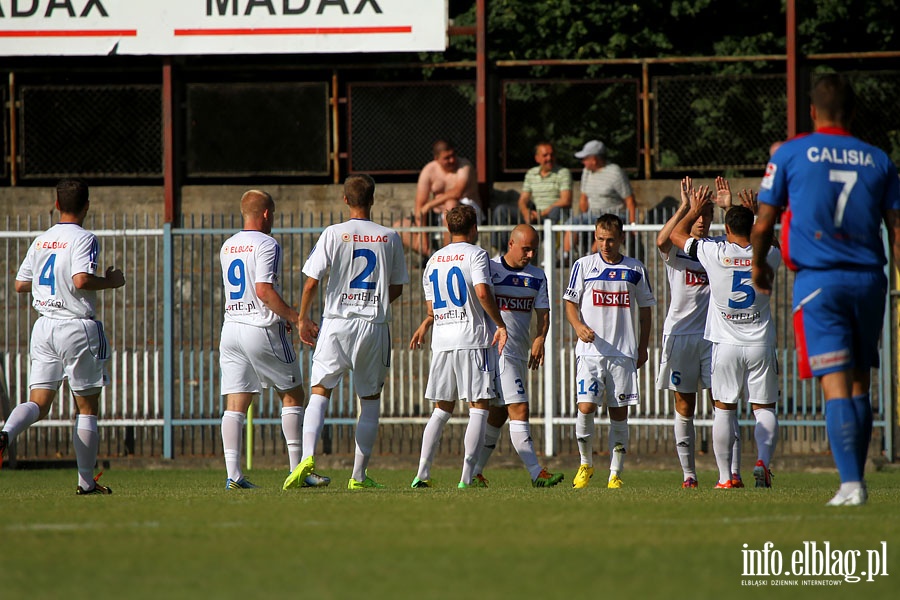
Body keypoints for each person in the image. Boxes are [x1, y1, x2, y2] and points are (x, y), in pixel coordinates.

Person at [751, 73, 900, 506]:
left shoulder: (792, 152)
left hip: (820, 280)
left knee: (834, 384)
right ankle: (857, 482)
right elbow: (896, 228)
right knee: (859, 384)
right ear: (853, 113)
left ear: (812, 112)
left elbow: (762, 222)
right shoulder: (879, 159)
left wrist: (760, 266)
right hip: (870, 279)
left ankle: (851, 485)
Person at [283, 174, 409, 491]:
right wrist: (374, 301)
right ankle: (359, 477)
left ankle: (306, 460)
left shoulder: (333, 233)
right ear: (373, 199)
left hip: (336, 321)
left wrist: (303, 318)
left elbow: (312, 280)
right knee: (369, 399)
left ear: (345, 199)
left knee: (320, 391)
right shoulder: (390, 236)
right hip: (373, 325)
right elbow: (396, 286)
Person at [1, 178, 124, 494]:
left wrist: (51, 286)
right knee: (86, 408)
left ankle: (5, 433)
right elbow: (81, 280)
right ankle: (86, 483)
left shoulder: (42, 239)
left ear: (56, 205)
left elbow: (20, 283)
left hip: (43, 327)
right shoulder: (84, 238)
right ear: (87, 205)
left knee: (39, 404)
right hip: (75, 327)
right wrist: (111, 281)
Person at [671, 187, 781, 490]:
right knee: (764, 408)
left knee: (724, 408)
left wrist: (693, 209)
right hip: (760, 343)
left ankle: (724, 478)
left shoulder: (715, 253)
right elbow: (772, 241)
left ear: (727, 228)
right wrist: (757, 215)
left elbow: (677, 237)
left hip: (726, 344)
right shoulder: (769, 254)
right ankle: (762, 462)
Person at [656, 176, 749, 488]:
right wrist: (685, 206)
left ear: (711, 220)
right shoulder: (678, 251)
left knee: (723, 404)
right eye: (696, 217)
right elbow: (661, 242)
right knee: (685, 406)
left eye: (704, 216)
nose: (699, 221)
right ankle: (689, 475)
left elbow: (742, 239)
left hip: (714, 337)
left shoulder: (719, 249)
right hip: (680, 336)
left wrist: (730, 209)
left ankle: (732, 472)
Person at [409, 205, 508, 489]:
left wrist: (427, 324)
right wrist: (499, 323)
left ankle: (422, 473)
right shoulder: (477, 254)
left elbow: (431, 307)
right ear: (474, 228)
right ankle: (467, 477)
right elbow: (481, 291)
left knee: (441, 409)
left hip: (442, 341)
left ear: (447, 228)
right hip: (472, 338)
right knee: (479, 407)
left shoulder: (433, 260)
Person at [218, 190, 309, 490]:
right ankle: (298, 471)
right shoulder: (268, 243)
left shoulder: (228, 246)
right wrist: (297, 318)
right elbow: (263, 291)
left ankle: (234, 476)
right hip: (261, 328)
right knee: (293, 395)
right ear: (267, 214)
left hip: (231, 328)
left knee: (235, 403)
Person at [564, 214, 655, 489]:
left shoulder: (635, 269)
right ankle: (585, 463)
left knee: (619, 414)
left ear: (622, 239)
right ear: (595, 237)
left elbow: (646, 311)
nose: (605, 244)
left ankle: (615, 474)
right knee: (586, 407)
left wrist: (642, 347)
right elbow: (570, 302)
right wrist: (578, 325)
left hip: (623, 353)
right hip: (590, 352)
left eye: (611, 239)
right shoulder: (583, 266)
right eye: (601, 239)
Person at [470, 224, 564, 488]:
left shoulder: (537, 276)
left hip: (519, 354)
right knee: (520, 408)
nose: (531, 254)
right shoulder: (489, 268)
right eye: (526, 248)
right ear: (511, 244)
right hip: (498, 352)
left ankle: (474, 472)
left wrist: (540, 337)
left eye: (534, 249)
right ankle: (536, 472)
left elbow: (543, 313)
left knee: (498, 415)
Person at [395, 140, 481, 259]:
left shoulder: (464, 166)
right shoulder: (429, 170)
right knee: (399, 226)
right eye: (447, 158)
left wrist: (430, 205)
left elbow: (457, 192)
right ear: (437, 158)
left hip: (465, 213)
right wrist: (422, 233)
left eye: (453, 155)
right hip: (437, 214)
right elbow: (420, 205)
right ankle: (432, 255)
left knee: (451, 205)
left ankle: (450, 255)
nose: (452, 160)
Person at [562, 140, 637, 263]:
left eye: (585, 159)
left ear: (594, 159)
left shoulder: (615, 172)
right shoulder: (586, 172)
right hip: (592, 215)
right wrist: (583, 217)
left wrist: (633, 225)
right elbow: (583, 198)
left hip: (614, 215)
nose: (583, 162)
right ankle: (566, 256)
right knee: (571, 223)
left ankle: (591, 256)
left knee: (604, 229)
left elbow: (630, 200)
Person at [518, 142, 573, 225]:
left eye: (552, 155)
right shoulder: (531, 173)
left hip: (552, 215)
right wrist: (526, 212)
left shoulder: (563, 173)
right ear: (537, 158)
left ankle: (551, 238)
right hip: (535, 215)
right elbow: (523, 199)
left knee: (556, 210)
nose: (549, 158)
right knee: (502, 211)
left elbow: (566, 200)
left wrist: (541, 214)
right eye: (545, 155)